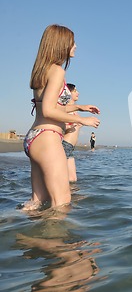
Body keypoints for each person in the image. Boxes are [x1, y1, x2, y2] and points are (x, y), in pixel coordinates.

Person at [24, 24, 100, 210]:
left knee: (36, 203)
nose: (75, 46)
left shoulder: (42, 70)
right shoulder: (57, 71)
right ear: (61, 45)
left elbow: (48, 106)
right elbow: (50, 110)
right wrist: (83, 120)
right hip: (48, 139)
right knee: (62, 203)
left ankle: (20, 233)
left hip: (35, 136)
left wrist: (80, 107)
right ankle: (56, 239)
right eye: (72, 43)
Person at [62, 83, 83, 182]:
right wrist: (69, 125)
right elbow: (60, 126)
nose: (78, 93)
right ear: (68, 93)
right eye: (75, 91)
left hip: (70, 147)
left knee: (73, 179)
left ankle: (71, 196)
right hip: (64, 145)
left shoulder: (73, 109)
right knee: (62, 178)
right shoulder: (65, 108)